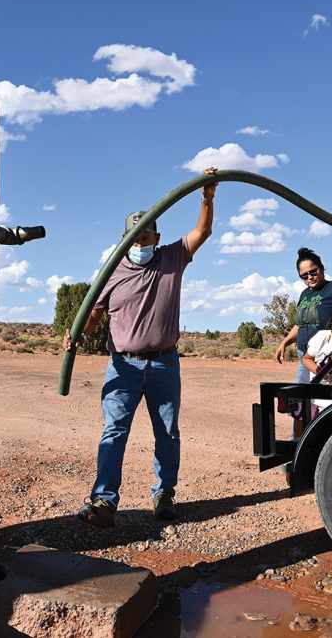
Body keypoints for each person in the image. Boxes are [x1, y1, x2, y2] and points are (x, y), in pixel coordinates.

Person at [65, 177, 218, 528]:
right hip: (123, 365)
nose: (140, 242)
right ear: (125, 240)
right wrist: (76, 334)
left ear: (157, 238)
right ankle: (104, 501)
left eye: (146, 236)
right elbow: (94, 312)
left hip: (164, 362)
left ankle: (164, 494)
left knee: (167, 431)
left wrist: (207, 197)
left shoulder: (172, 258)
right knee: (114, 431)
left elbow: (202, 231)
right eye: (134, 238)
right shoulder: (112, 271)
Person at [275, 247, 332, 382]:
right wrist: (285, 342)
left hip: (327, 355)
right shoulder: (305, 294)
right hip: (304, 354)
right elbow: (300, 325)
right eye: (304, 276)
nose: (309, 277)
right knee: (302, 396)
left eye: (313, 272)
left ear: (321, 268)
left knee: (321, 395)